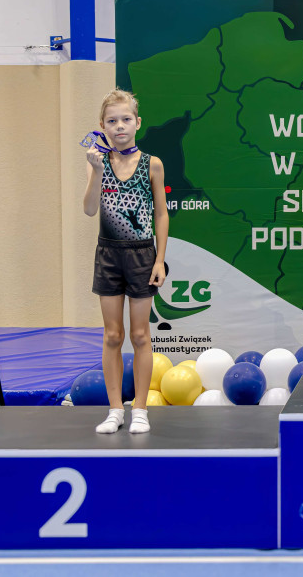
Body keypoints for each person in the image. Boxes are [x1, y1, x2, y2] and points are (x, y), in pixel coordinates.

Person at [83, 89, 169, 434]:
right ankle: (115, 409)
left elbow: (161, 214)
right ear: (102, 125)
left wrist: (159, 260)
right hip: (108, 254)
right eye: (112, 121)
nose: (119, 126)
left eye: (125, 119)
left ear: (137, 123)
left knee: (140, 334)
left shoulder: (152, 164)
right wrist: (95, 171)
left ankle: (141, 410)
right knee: (112, 335)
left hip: (141, 254)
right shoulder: (98, 162)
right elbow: (89, 209)